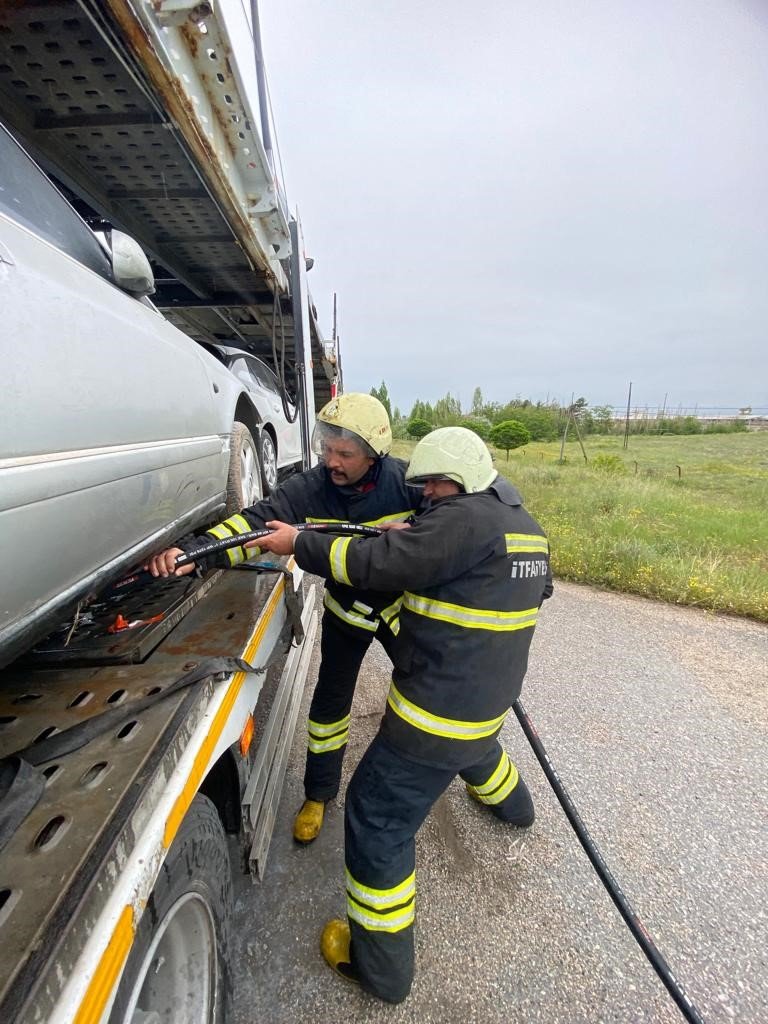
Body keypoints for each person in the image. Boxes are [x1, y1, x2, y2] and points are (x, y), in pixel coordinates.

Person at [256, 426, 553, 1004]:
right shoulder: (524, 529)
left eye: (433, 492)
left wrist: (298, 543)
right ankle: (516, 812)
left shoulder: (460, 519)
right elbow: (532, 590)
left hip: (434, 717)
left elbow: (381, 564)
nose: (426, 500)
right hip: (487, 702)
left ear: (452, 482)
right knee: (478, 753)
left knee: (377, 817)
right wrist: (425, 538)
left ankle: (380, 969)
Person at [146, 393, 424, 843]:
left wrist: (419, 533)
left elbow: (453, 520)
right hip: (347, 613)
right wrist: (194, 554)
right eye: (326, 449)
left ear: (375, 456)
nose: (331, 462)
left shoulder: (408, 482)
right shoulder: (310, 489)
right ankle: (318, 793)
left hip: (398, 611)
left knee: (439, 694)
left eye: (345, 454)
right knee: (329, 706)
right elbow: (255, 526)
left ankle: (480, 768)